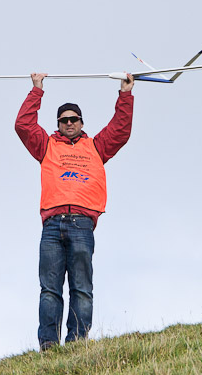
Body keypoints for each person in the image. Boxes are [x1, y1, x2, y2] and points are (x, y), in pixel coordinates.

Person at [15, 72, 134, 351]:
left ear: (81, 122)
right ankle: (48, 346)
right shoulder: (46, 145)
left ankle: (77, 344)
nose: (69, 123)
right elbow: (23, 125)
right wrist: (37, 91)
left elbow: (120, 130)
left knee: (82, 289)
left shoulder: (96, 146)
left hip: (82, 224)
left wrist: (125, 94)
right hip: (52, 225)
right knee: (50, 290)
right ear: (58, 124)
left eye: (74, 119)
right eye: (64, 120)